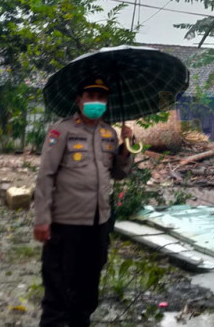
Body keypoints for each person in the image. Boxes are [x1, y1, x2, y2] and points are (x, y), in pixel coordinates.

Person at [33, 77, 135, 327]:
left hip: (98, 222)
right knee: (58, 285)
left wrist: (126, 149)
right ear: (79, 100)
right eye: (91, 97)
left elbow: (118, 174)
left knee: (88, 285)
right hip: (66, 222)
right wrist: (42, 219)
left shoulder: (110, 133)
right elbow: (45, 175)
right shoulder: (62, 131)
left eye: (101, 98)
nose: (96, 102)